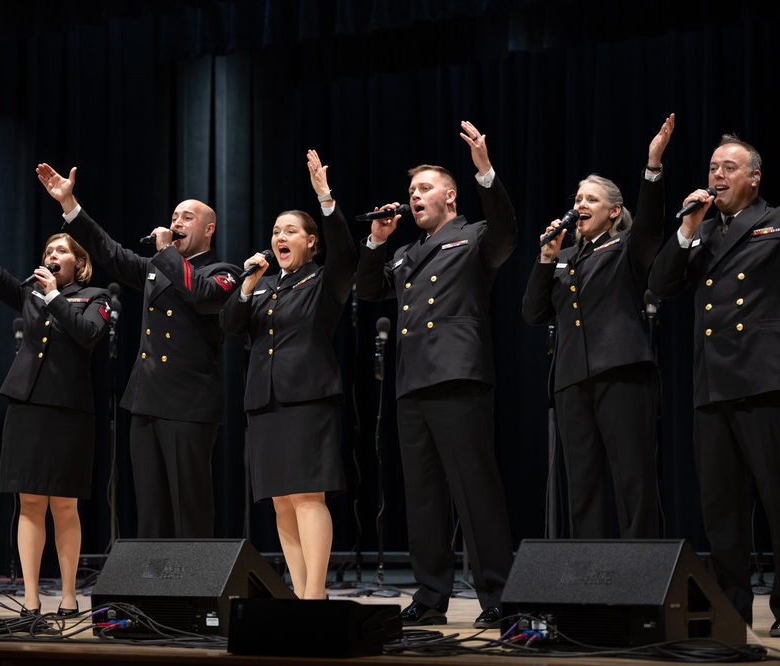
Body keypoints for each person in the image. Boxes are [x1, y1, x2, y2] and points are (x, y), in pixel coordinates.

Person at [356, 121, 515, 628]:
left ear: (449, 195)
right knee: (422, 493)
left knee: (474, 487)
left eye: (423, 189)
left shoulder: (473, 238)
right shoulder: (404, 254)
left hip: (458, 375)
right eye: (410, 192)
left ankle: (497, 592)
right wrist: (377, 241)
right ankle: (430, 593)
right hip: (412, 383)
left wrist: (485, 171)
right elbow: (365, 289)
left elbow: (507, 231)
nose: (414, 197)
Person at [0, 183, 111, 616]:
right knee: (29, 502)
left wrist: (52, 295)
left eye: (62, 251)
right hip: (27, 406)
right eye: (48, 250)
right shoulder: (30, 292)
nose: (51, 256)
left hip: (68, 411)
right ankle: (31, 598)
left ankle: (68, 596)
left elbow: (87, 335)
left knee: (64, 505)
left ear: (79, 263)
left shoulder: (94, 298)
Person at [34, 163, 240, 540]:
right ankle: (155, 591)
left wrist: (165, 251)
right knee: (150, 505)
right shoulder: (157, 267)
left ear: (209, 229)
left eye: (187, 217)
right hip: (146, 399)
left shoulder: (224, 271)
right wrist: (70, 204)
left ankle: (195, 592)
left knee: (189, 504)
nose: (176, 222)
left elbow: (201, 294)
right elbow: (107, 251)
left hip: (188, 403)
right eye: (174, 215)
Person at [648, 133, 780, 634]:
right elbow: (659, 286)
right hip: (711, 385)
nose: (717, 176)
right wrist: (684, 229)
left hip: (764, 381)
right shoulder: (700, 231)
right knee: (721, 508)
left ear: (754, 177)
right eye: (711, 168)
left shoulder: (774, 222)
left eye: (729, 167)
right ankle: (731, 606)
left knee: (776, 499)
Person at [522, 115, 674, 540]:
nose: (580, 205)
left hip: (622, 371)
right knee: (583, 486)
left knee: (632, 480)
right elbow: (533, 313)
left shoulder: (626, 246)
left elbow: (650, 227)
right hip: (571, 380)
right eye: (577, 198)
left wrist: (653, 167)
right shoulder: (565, 256)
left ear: (613, 211)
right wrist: (546, 258)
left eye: (591, 199)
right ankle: (590, 583)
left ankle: (640, 579)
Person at [220, 150, 354, 599]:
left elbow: (347, 257)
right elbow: (229, 324)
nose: (281, 236)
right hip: (265, 402)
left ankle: (315, 594)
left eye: (291, 230)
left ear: (311, 241)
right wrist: (246, 284)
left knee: (307, 496)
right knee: (280, 501)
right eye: (276, 231)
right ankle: (298, 595)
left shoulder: (322, 282)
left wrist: (325, 199)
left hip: (307, 398)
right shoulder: (264, 287)